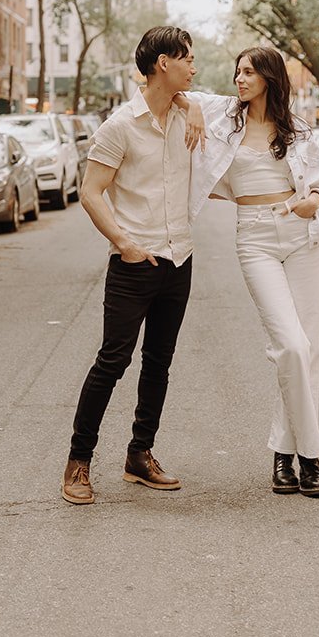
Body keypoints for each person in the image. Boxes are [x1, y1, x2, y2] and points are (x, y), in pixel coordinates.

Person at [62, 26, 201, 506]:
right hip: (134, 263)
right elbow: (90, 192)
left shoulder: (185, 115)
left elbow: (228, 104)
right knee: (112, 362)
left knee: (158, 364)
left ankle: (139, 456)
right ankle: (79, 462)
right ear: (163, 63)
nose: (193, 67)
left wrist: (194, 105)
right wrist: (124, 243)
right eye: (187, 59)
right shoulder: (119, 125)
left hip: (178, 259)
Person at [186, 47, 319, 498]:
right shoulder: (224, 118)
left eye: (249, 71)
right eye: (237, 72)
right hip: (254, 238)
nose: (240, 78)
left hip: (302, 233)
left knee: (306, 350)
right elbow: (163, 89)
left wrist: (315, 201)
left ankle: (283, 455)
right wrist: (191, 109)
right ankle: (311, 455)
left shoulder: (300, 130)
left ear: (269, 76)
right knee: (289, 345)